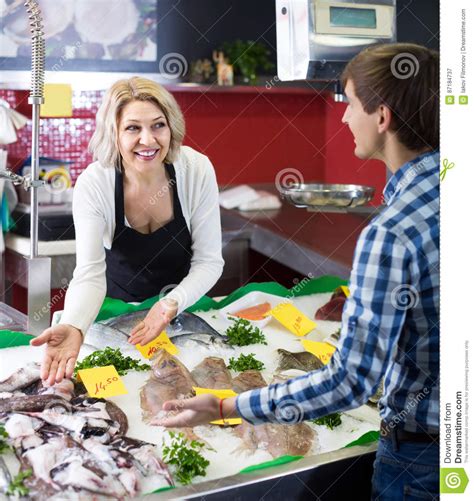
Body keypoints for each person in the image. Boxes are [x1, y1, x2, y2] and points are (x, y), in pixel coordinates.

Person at [156, 43, 440, 500]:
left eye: (349, 104)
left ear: (382, 117)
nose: (344, 118)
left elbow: (350, 383)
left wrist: (225, 405)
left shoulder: (392, 232)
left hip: (424, 461)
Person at [31, 77, 224, 385]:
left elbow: (210, 262)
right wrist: (75, 325)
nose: (148, 140)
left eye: (158, 125)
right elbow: (90, 273)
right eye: (133, 128)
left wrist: (170, 304)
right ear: (114, 134)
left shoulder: (196, 169)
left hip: (184, 310)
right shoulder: (95, 184)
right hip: (119, 316)